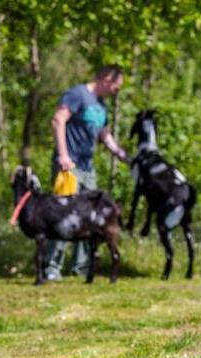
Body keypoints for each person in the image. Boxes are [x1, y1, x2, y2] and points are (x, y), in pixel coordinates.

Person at [44, 65, 131, 281]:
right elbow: (58, 120)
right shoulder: (77, 94)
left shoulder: (101, 106)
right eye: (116, 86)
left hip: (88, 168)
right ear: (106, 79)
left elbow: (105, 136)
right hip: (68, 167)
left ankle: (81, 267)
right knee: (62, 216)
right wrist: (63, 156)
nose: (116, 91)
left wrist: (125, 156)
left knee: (89, 218)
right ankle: (52, 267)